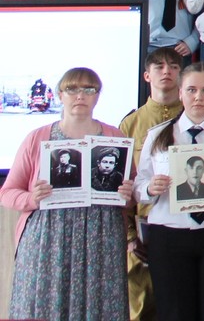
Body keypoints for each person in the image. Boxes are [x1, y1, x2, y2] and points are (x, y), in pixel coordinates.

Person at [2, 67, 132, 321]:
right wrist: (32, 198)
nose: (80, 95)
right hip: (47, 239)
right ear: (60, 95)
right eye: (72, 89)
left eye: (89, 89)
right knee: (45, 307)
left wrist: (129, 193)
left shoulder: (114, 137)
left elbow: (133, 191)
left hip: (101, 237)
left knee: (100, 307)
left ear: (98, 96)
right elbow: (7, 191)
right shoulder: (37, 138)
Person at [135, 62, 204, 321]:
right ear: (180, 92)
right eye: (191, 90)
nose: (198, 97)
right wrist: (150, 188)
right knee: (174, 312)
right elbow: (139, 186)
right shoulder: (158, 135)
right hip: (169, 234)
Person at [119, 46, 185, 321]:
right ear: (147, 75)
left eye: (174, 66)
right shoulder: (131, 124)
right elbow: (122, 185)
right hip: (144, 235)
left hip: (189, 228)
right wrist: (129, 237)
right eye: (159, 66)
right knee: (141, 309)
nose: (166, 71)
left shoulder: (195, 118)